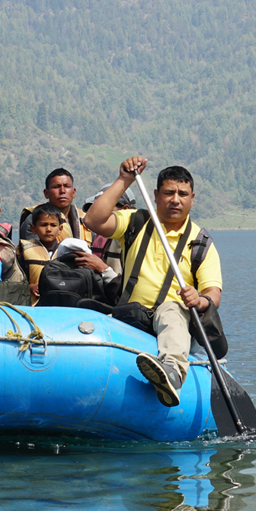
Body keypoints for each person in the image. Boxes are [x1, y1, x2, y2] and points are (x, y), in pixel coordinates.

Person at [83, 157, 222, 407]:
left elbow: (213, 292)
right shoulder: (136, 221)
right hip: (131, 315)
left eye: (182, 194)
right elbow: (93, 221)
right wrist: (124, 180)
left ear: (192, 197)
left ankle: (172, 373)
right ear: (156, 195)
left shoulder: (201, 242)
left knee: (171, 308)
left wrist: (200, 300)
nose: (175, 199)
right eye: (169, 193)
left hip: (173, 322)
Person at [18, 168, 88, 246]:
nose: (62, 191)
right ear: (46, 193)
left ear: (73, 192)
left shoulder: (85, 219)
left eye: (67, 186)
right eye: (56, 187)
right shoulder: (35, 217)